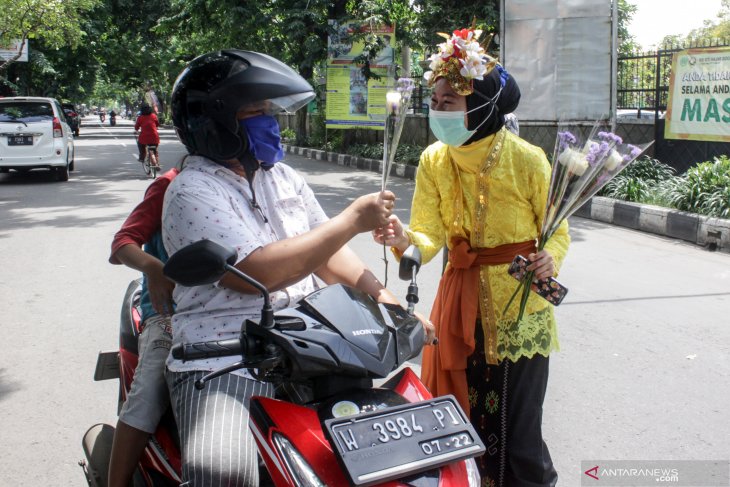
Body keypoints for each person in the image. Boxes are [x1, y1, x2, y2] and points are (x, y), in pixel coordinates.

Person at [161, 49, 433, 486]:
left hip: (309, 342)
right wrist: (351, 221)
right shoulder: (193, 190)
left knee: (396, 448)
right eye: (257, 112)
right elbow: (258, 273)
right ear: (216, 120)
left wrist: (388, 304)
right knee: (223, 471)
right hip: (225, 355)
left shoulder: (283, 178)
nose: (270, 121)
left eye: (271, 111)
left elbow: (326, 255)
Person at [373, 27, 570, 487]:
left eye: (448, 103)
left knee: (519, 433)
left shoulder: (528, 159)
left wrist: (550, 259)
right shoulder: (434, 161)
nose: (437, 110)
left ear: (480, 106)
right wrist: (402, 237)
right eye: (434, 101)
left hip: (521, 309)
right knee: (464, 417)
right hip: (460, 305)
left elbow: (557, 229)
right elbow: (429, 233)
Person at [107, 166, 180, 487]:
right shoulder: (168, 185)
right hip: (170, 312)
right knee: (148, 392)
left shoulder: (260, 181)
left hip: (236, 310)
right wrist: (153, 266)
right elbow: (123, 242)